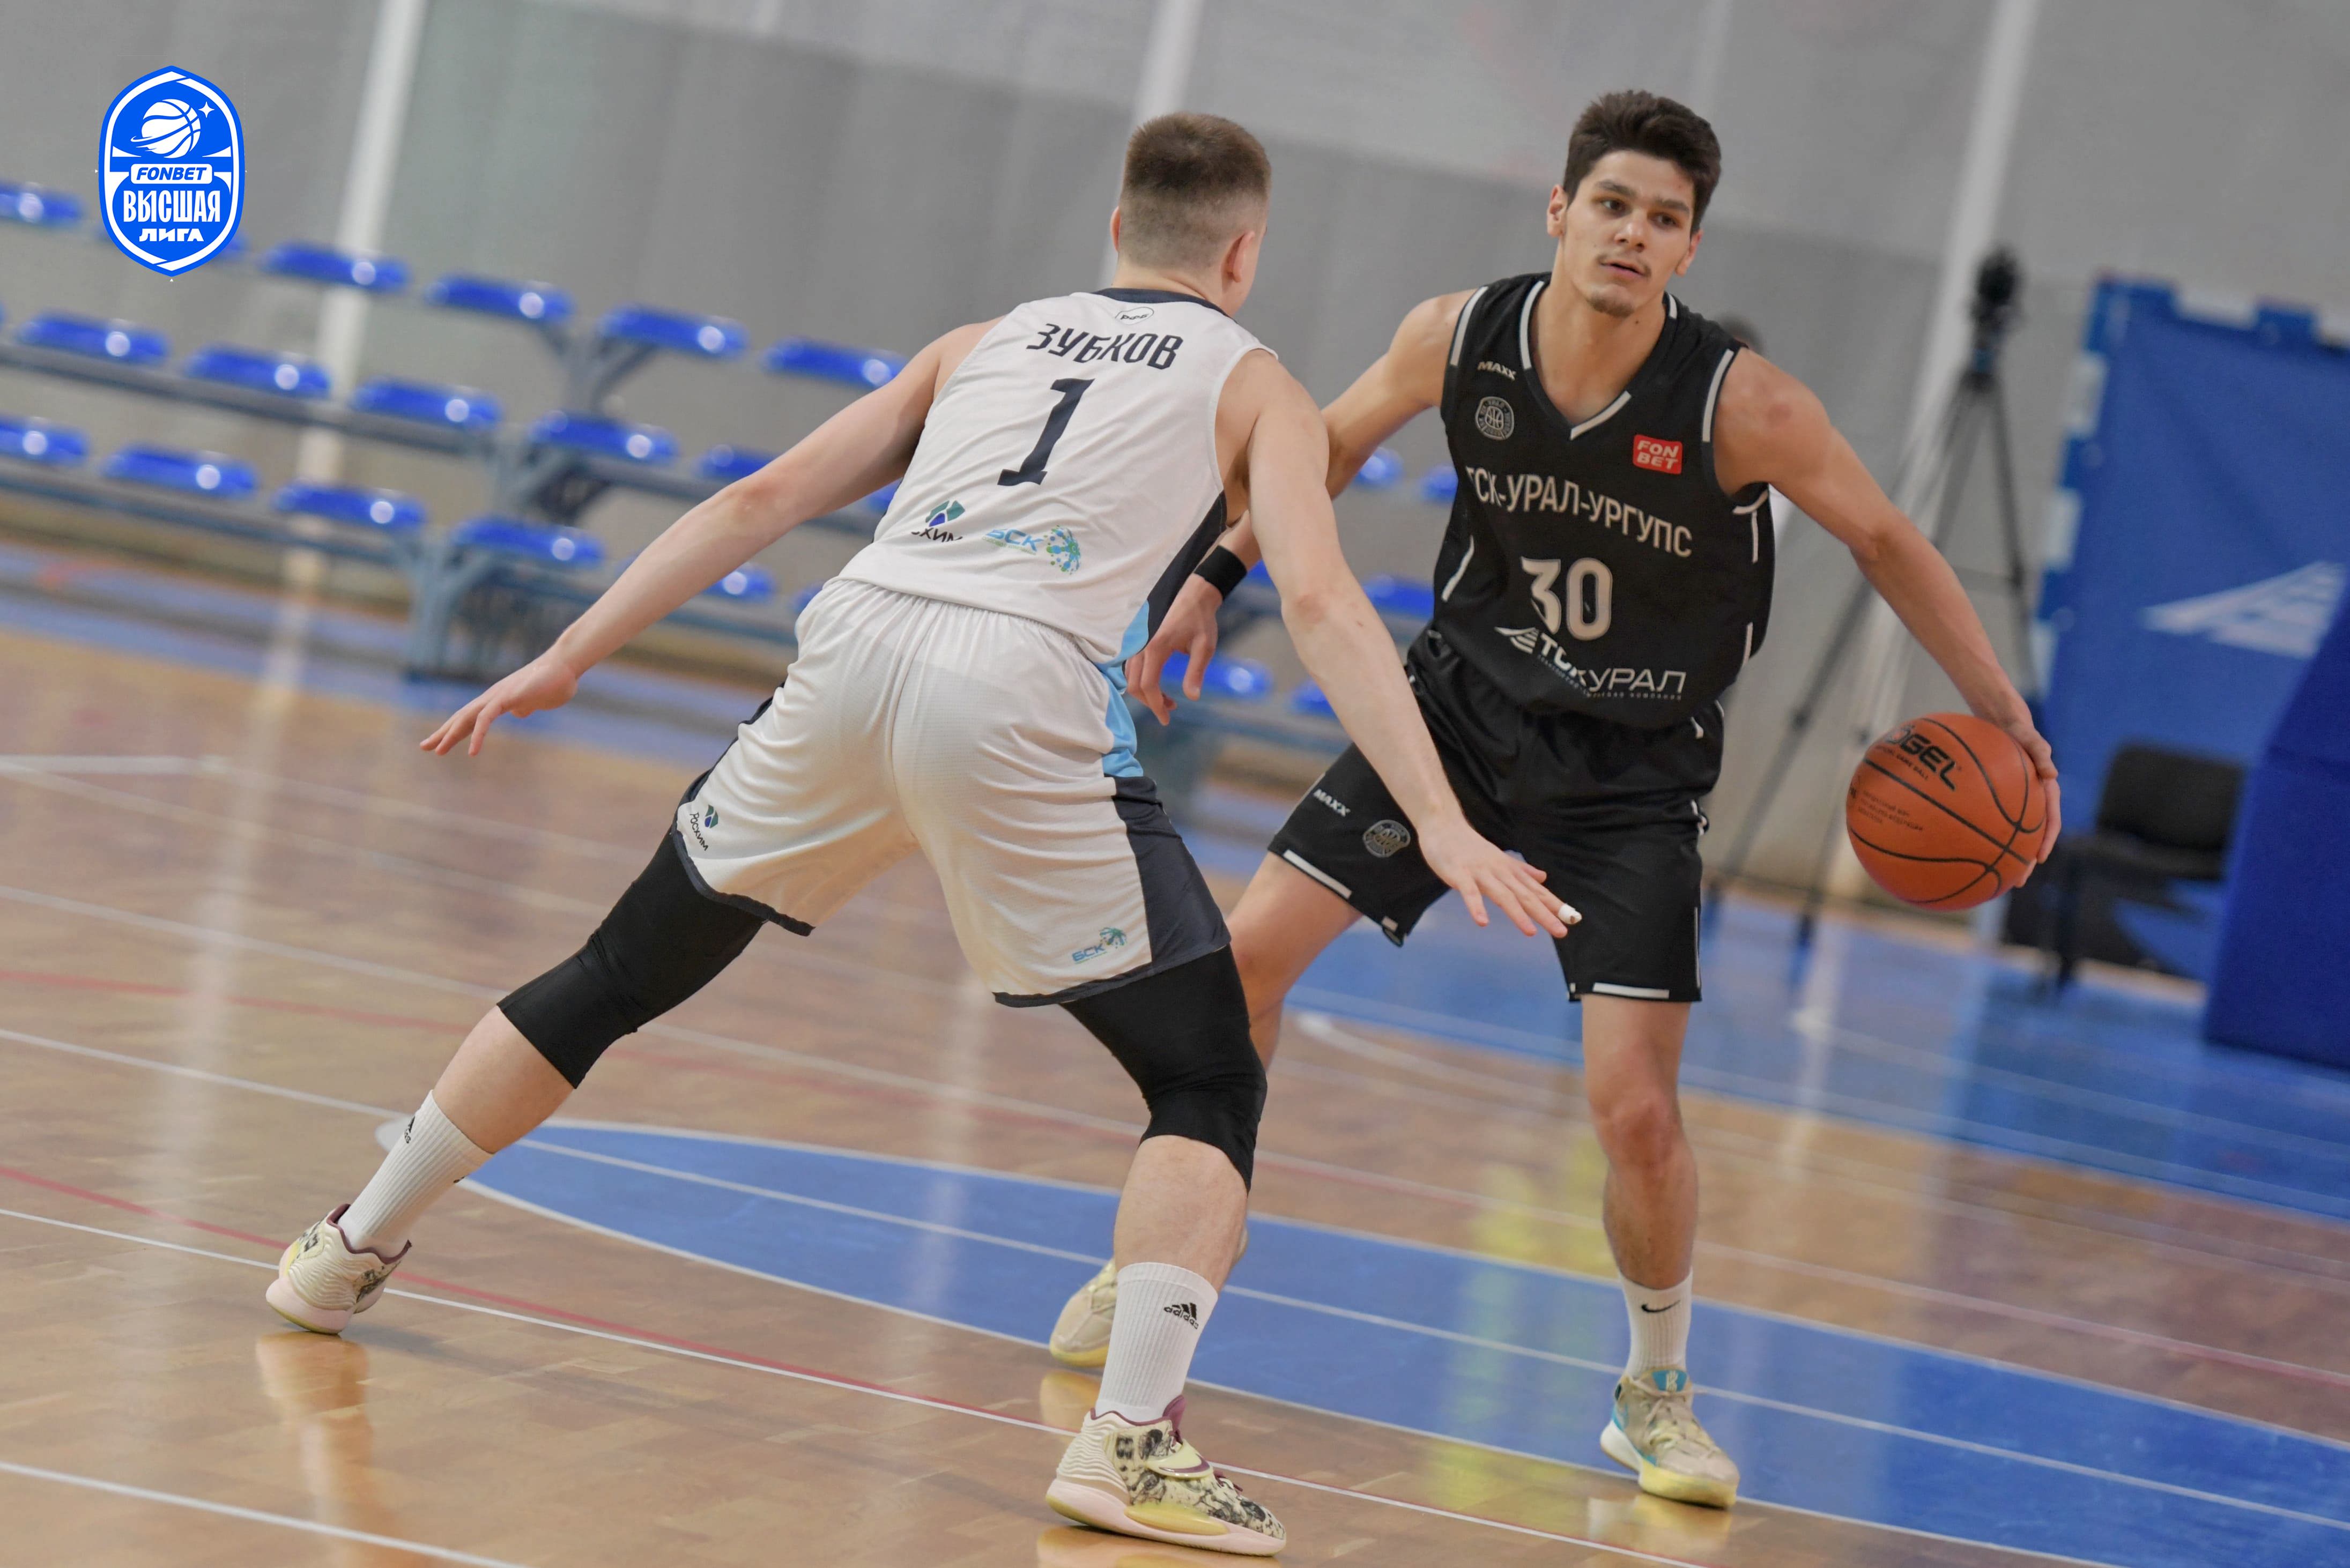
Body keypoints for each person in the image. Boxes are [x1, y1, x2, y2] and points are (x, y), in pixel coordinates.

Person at [259, 112, 1566, 1557]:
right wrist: (1439, 819)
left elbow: (764, 497)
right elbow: (1318, 601)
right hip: (1018, 687)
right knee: (1204, 1072)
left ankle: (344, 1250)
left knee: (618, 973)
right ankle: (1129, 1443)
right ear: (1245, 253)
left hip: (857, 646)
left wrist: (570, 652)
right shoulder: (1258, 382)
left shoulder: (981, 342)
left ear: (1117, 227)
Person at [1046, 90, 2059, 1512]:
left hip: (1634, 778)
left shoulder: (1743, 406)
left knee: (1633, 1109)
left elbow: (1887, 539)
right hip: (1456, 721)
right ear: (1562, 212)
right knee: (1241, 971)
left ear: (1690, 248)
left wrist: (2004, 710)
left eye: (1664, 219)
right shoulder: (1458, 336)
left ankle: (1656, 1393)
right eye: (1613, 206)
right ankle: (1160, 1257)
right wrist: (1216, 574)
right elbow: (1321, 450)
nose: (1633, 235)